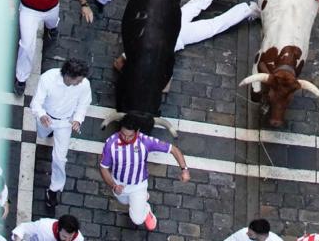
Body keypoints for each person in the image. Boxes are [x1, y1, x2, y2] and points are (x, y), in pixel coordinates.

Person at [112, 0, 260, 74]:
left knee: (214, 25)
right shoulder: (133, 48)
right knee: (198, 4)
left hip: (179, 34)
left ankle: (248, 9)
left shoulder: (141, 58)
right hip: (171, 21)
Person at [13, 0, 93, 96]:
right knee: (26, 45)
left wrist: (84, 4)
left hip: (51, 8)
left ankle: (52, 29)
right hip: (29, 10)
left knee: (52, 23)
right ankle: (21, 78)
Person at [99, 114, 191, 231]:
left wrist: (184, 169)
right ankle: (141, 200)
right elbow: (103, 168)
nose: (126, 139)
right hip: (118, 183)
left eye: (130, 136)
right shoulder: (110, 143)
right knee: (123, 201)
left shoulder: (145, 141)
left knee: (137, 219)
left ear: (137, 132)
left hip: (138, 185)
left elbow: (173, 149)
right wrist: (114, 185)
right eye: (123, 135)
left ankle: (146, 209)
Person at [30, 58, 92, 208]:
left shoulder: (84, 84)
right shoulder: (48, 79)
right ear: (68, 76)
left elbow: (84, 103)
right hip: (47, 119)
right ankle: (48, 133)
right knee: (42, 134)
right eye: (78, 79)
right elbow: (36, 102)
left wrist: (77, 119)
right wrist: (42, 115)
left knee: (60, 158)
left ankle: (54, 188)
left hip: (65, 122)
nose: (80, 82)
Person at [12, 214, 83, 241]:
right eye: (64, 236)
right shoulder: (43, 226)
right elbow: (23, 228)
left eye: (70, 237)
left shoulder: (79, 239)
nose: (67, 240)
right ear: (58, 229)